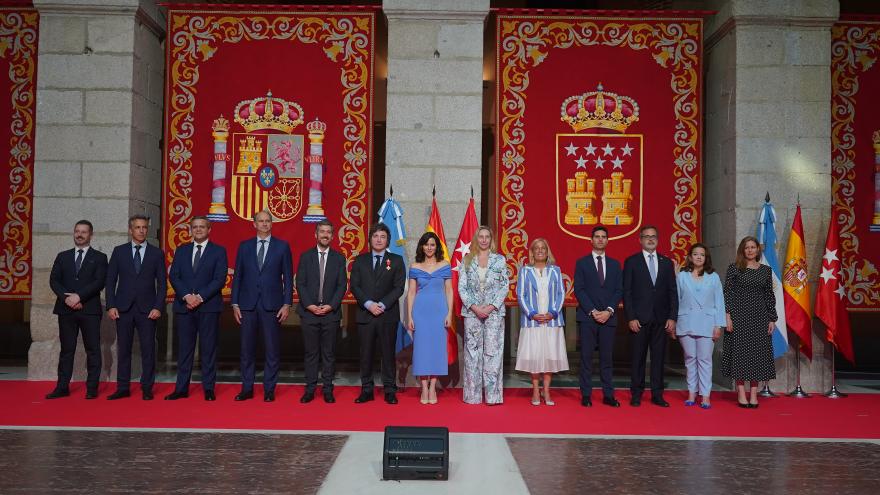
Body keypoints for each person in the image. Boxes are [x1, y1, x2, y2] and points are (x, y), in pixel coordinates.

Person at [231, 210, 293, 402]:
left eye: (268, 221)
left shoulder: (282, 247)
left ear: (271, 224)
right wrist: (234, 303)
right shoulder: (244, 247)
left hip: (272, 305)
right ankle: (247, 388)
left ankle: (269, 389)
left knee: (272, 350)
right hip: (247, 304)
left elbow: (288, 278)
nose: (265, 224)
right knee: (246, 350)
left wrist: (287, 303)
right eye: (261, 221)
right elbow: (238, 277)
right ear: (254, 224)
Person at [166, 216, 228, 402]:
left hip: (208, 306)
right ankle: (181, 388)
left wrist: (199, 297)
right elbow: (174, 276)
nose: (198, 230)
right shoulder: (182, 250)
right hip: (185, 306)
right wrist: (187, 296)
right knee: (185, 350)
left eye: (202, 227)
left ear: (209, 229)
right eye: (195, 227)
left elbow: (219, 279)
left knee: (208, 349)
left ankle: (208, 388)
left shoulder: (219, 251)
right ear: (190, 230)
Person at [105, 214, 167, 400]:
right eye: (137, 227)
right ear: (130, 230)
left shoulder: (156, 253)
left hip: (148, 309)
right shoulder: (119, 251)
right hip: (123, 308)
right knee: (123, 349)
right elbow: (110, 281)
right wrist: (111, 305)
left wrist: (158, 307)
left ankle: (147, 387)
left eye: (144, 227)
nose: (141, 230)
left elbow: (162, 284)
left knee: (148, 349)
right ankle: (122, 387)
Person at [46, 220, 108, 400]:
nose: (79, 235)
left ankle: (92, 388)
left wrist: (78, 297)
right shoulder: (62, 256)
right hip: (66, 310)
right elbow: (54, 281)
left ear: (91, 235)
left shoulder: (100, 257)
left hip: (89, 310)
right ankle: (62, 387)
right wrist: (67, 299)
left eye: (84, 232)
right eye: (77, 231)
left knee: (93, 350)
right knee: (67, 350)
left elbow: (99, 282)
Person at [350, 223, 406, 404]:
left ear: (387, 240)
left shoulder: (396, 260)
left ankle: (390, 389)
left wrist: (381, 304)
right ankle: (366, 389)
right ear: (370, 239)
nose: (379, 239)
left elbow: (398, 287)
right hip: (365, 314)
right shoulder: (360, 260)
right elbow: (355, 286)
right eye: (375, 236)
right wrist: (368, 304)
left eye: (382, 237)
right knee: (365, 353)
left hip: (387, 314)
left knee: (388, 353)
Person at [623, 225, 678, 407]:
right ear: (640, 240)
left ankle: (657, 394)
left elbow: (672, 292)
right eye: (646, 237)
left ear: (658, 239)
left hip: (661, 320)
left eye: (653, 236)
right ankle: (636, 394)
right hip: (639, 319)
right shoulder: (632, 261)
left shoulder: (666, 263)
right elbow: (627, 292)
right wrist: (630, 317)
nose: (650, 239)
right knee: (638, 358)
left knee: (658, 359)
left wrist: (672, 317)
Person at [721, 236, 777, 409]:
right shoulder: (735, 268)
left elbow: (769, 296)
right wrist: (727, 316)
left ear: (758, 250)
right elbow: (727, 293)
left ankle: (753, 393)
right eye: (747, 248)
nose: (750, 250)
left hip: (759, 318)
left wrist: (772, 318)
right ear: (742, 250)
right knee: (740, 355)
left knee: (756, 356)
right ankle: (740, 392)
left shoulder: (766, 271)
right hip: (739, 317)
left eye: (753, 247)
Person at [296, 220, 347, 404]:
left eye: (328, 232)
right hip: (308, 313)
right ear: (315, 235)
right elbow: (300, 283)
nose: (325, 235)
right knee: (311, 354)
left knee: (329, 354)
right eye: (322, 232)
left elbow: (342, 285)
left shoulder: (339, 258)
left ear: (332, 236)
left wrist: (331, 305)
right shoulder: (305, 256)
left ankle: (327, 389)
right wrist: (309, 305)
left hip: (330, 314)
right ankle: (309, 389)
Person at [458, 226, 510, 405]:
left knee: (492, 353)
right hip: (472, 313)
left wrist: (490, 307)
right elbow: (461, 288)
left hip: (494, 313)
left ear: (491, 239)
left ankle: (492, 396)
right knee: (472, 354)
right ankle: (472, 396)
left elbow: (504, 286)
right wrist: (474, 307)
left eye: (487, 236)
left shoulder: (499, 260)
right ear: (476, 239)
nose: (484, 240)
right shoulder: (467, 260)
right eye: (481, 236)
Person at [573, 226, 622, 407]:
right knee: (586, 358)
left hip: (608, 319)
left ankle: (608, 395)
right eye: (597, 237)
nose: (600, 239)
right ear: (591, 240)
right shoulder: (582, 263)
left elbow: (619, 290)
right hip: (588, 318)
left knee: (606, 359)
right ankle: (586, 395)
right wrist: (593, 311)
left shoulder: (615, 265)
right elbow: (579, 289)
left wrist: (608, 311)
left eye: (603, 237)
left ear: (607, 241)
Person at [515, 237, 568, 406]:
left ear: (547, 252)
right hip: (533, 322)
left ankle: (546, 390)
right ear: (532, 252)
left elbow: (561, 293)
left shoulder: (555, 271)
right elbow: (520, 295)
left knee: (549, 356)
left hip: (551, 321)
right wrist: (531, 314)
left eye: (543, 248)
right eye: (536, 248)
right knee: (535, 356)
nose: (540, 251)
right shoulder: (525, 271)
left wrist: (553, 312)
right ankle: (536, 390)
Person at [676, 243, 726, 409]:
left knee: (704, 360)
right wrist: (674, 322)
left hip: (707, 323)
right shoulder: (681, 275)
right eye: (695, 254)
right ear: (690, 257)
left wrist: (719, 325)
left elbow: (719, 302)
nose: (698, 257)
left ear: (706, 258)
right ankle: (691, 392)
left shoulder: (713, 277)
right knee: (690, 359)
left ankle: (705, 395)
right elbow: (675, 300)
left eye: (702, 255)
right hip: (686, 321)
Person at [406, 232, 453, 405]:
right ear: (422, 247)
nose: (429, 248)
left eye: (432, 245)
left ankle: (433, 386)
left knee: (437, 349)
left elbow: (449, 290)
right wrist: (410, 315)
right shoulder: (415, 266)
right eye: (426, 245)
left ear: (437, 247)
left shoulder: (444, 265)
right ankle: (423, 387)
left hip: (439, 311)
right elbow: (411, 292)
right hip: (420, 311)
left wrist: (449, 313)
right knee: (421, 350)